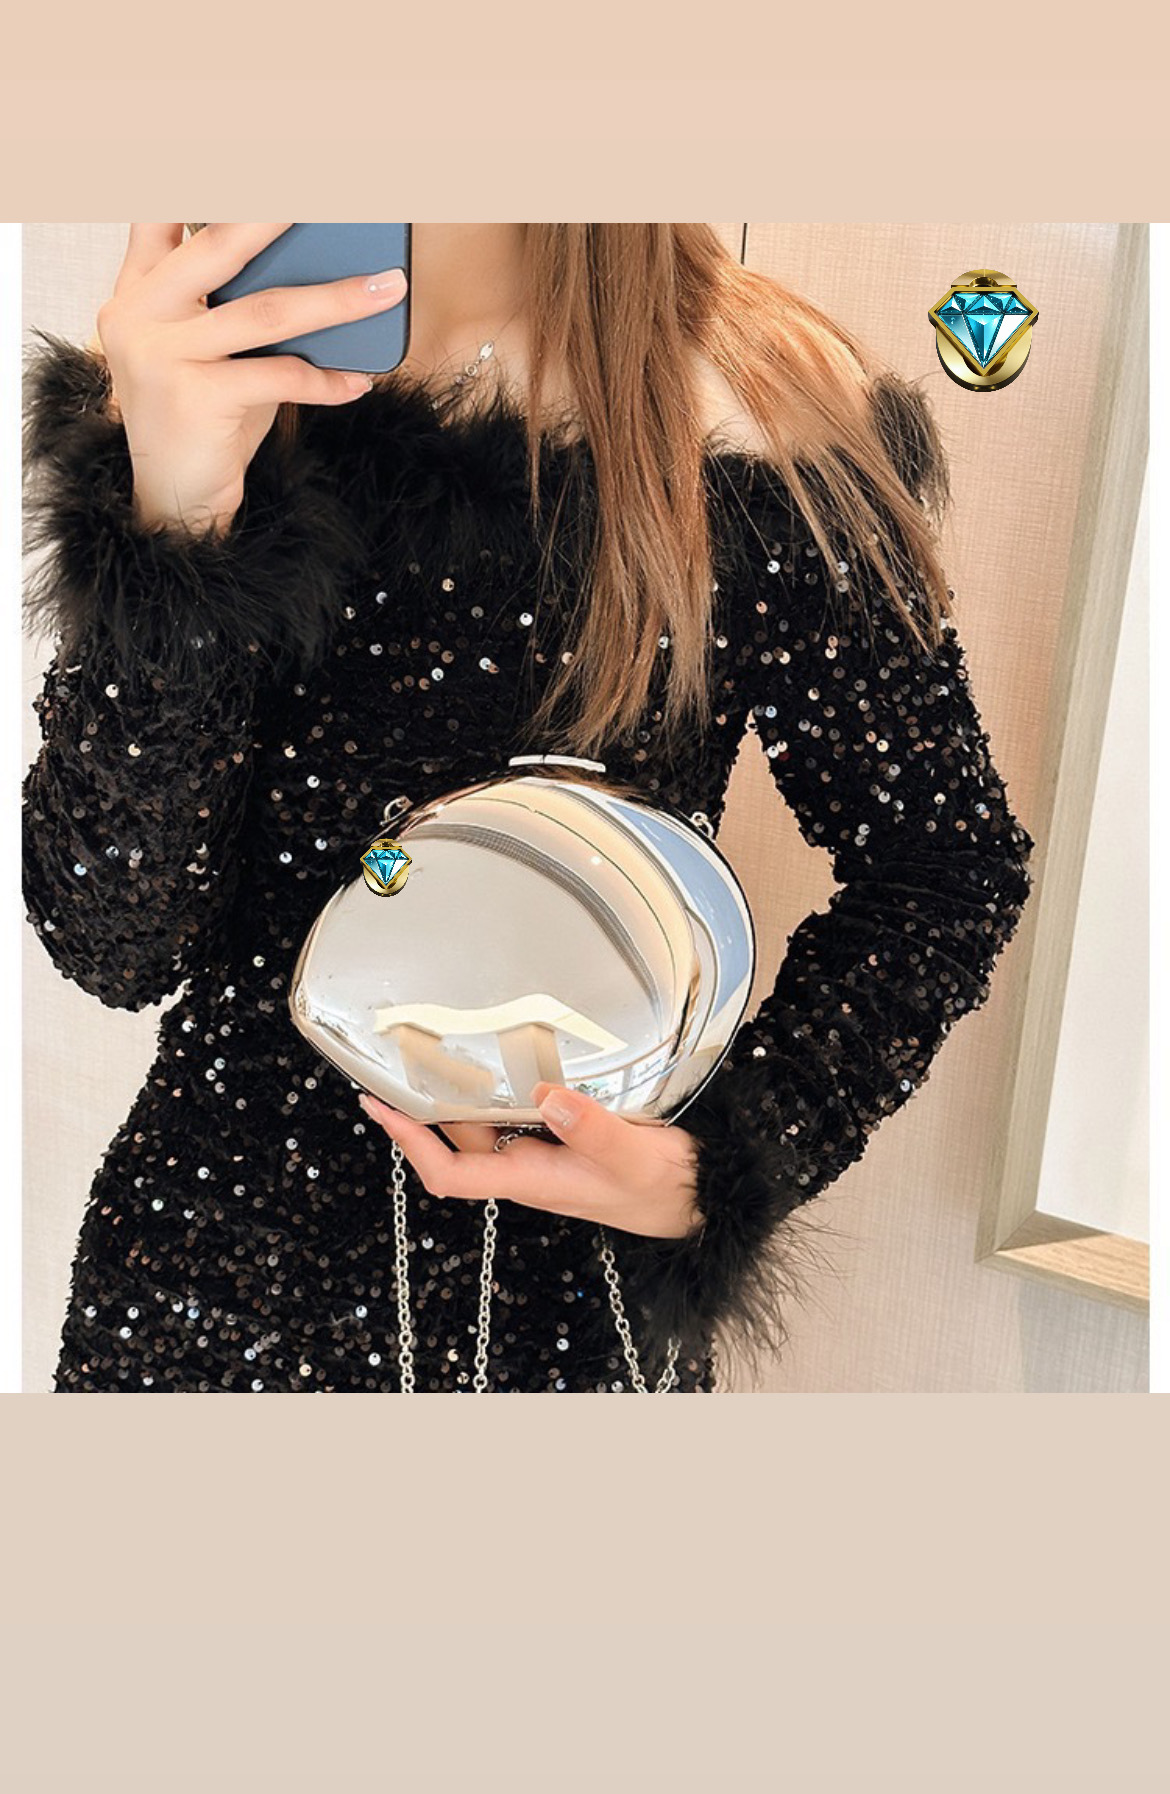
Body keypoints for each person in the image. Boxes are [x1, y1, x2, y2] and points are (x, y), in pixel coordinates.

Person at [21, 222, 1036, 1393]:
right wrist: (173, 518)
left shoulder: (761, 410)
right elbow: (115, 941)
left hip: (562, 1324)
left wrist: (733, 1160)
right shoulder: (206, 368)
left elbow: (944, 866)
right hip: (192, 1298)